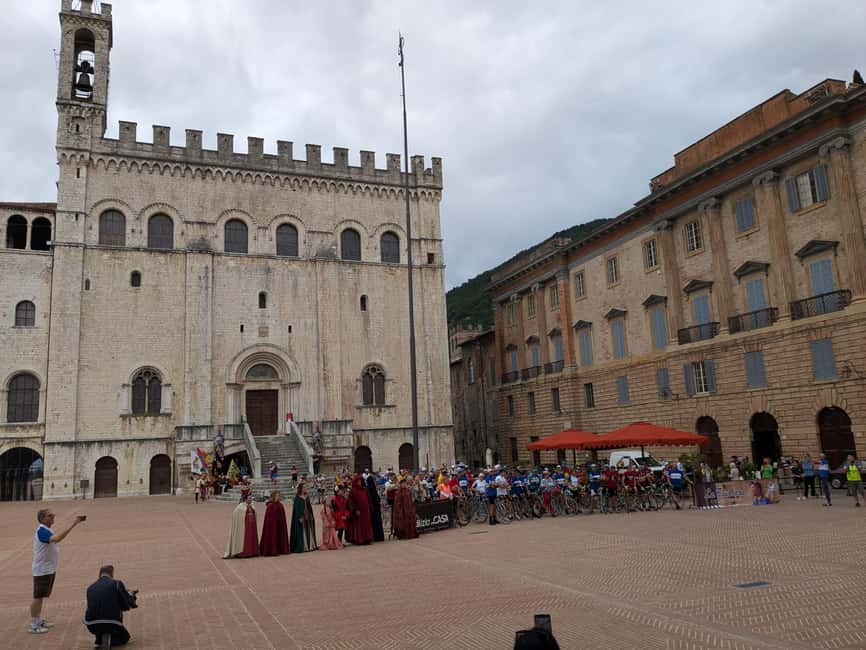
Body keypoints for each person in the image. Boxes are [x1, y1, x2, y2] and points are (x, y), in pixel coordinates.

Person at [29, 509, 85, 634]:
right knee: (37, 597)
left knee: (42, 595)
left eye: (53, 514)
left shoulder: (47, 529)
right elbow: (57, 538)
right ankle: (33, 624)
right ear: (43, 518)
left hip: (48, 568)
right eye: (50, 515)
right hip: (42, 570)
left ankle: (37, 620)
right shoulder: (42, 531)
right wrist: (74, 524)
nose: (53, 516)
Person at [84, 565, 137, 647]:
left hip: (91, 624)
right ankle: (110, 640)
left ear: (99, 574)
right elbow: (125, 606)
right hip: (112, 622)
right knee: (125, 637)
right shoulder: (117, 583)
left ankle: (100, 640)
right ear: (112, 574)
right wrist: (132, 598)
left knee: (100, 626)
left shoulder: (90, 588)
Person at [346, 475, 374, 545]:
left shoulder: (364, 490)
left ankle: (367, 538)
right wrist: (355, 510)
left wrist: (370, 507)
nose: (360, 482)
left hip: (366, 511)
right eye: (358, 481)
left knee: (366, 525)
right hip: (359, 511)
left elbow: (368, 499)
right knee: (359, 526)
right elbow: (351, 502)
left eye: (361, 481)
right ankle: (360, 539)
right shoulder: (352, 491)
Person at [259, 491, 289, 556]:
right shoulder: (270, 505)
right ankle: (272, 550)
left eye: (279, 496)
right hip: (272, 526)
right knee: (273, 535)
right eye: (277, 496)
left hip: (279, 525)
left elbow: (282, 517)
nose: (278, 497)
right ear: (273, 497)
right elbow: (268, 519)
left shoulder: (280, 505)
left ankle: (280, 549)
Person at [290, 483, 317, 552]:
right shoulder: (297, 498)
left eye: (306, 487)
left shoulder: (307, 497)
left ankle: (309, 545)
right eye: (304, 487)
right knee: (303, 531)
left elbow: (309, 507)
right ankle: (304, 546)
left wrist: (311, 515)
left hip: (307, 516)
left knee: (309, 530)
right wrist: (299, 517)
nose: (305, 489)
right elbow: (297, 509)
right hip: (301, 517)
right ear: (300, 488)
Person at [365, 474, 386, 542]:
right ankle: (377, 537)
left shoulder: (369, 488)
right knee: (375, 523)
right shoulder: (370, 489)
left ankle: (376, 536)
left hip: (374, 509)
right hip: (373, 508)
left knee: (375, 523)